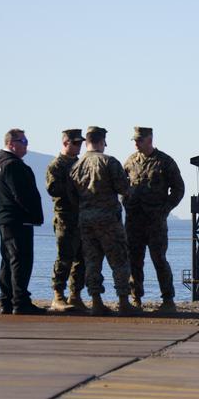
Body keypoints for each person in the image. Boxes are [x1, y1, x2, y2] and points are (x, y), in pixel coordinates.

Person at [69, 126, 137, 316]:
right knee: (119, 261)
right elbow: (124, 189)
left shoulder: (76, 166)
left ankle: (96, 301)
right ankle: (124, 301)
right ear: (101, 141)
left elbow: (72, 194)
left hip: (86, 220)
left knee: (92, 261)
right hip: (108, 220)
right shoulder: (109, 162)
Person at [123, 126, 184, 313]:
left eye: (139, 140)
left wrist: (164, 210)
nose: (136, 143)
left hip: (155, 222)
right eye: (134, 140)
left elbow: (178, 189)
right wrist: (125, 202)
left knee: (159, 260)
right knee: (134, 260)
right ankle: (136, 300)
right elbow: (122, 185)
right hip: (134, 222)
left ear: (149, 140)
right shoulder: (130, 161)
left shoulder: (164, 162)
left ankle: (168, 300)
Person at [0, 128, 46, 315]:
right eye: (24, 141)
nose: (27, 145)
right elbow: (22, 195)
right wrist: (34, 215)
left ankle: (6, 300)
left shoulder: (0, 164)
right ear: (11, 143)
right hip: (18, 220)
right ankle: (20, 301)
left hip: (6, 218)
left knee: (8, 260)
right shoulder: (13, 166)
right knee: (20, 260)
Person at [45, 129, 87, 312]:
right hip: (65, 217)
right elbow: (53, 189)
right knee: (65, 256)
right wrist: (74, 186)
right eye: (75, 143)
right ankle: (58, 295)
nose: (79, 147)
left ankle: (75, 295)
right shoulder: (56, 165)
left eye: (80, 143)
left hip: (81, 216)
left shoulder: (79, 163)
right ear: (65, 143)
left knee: (81, 258)